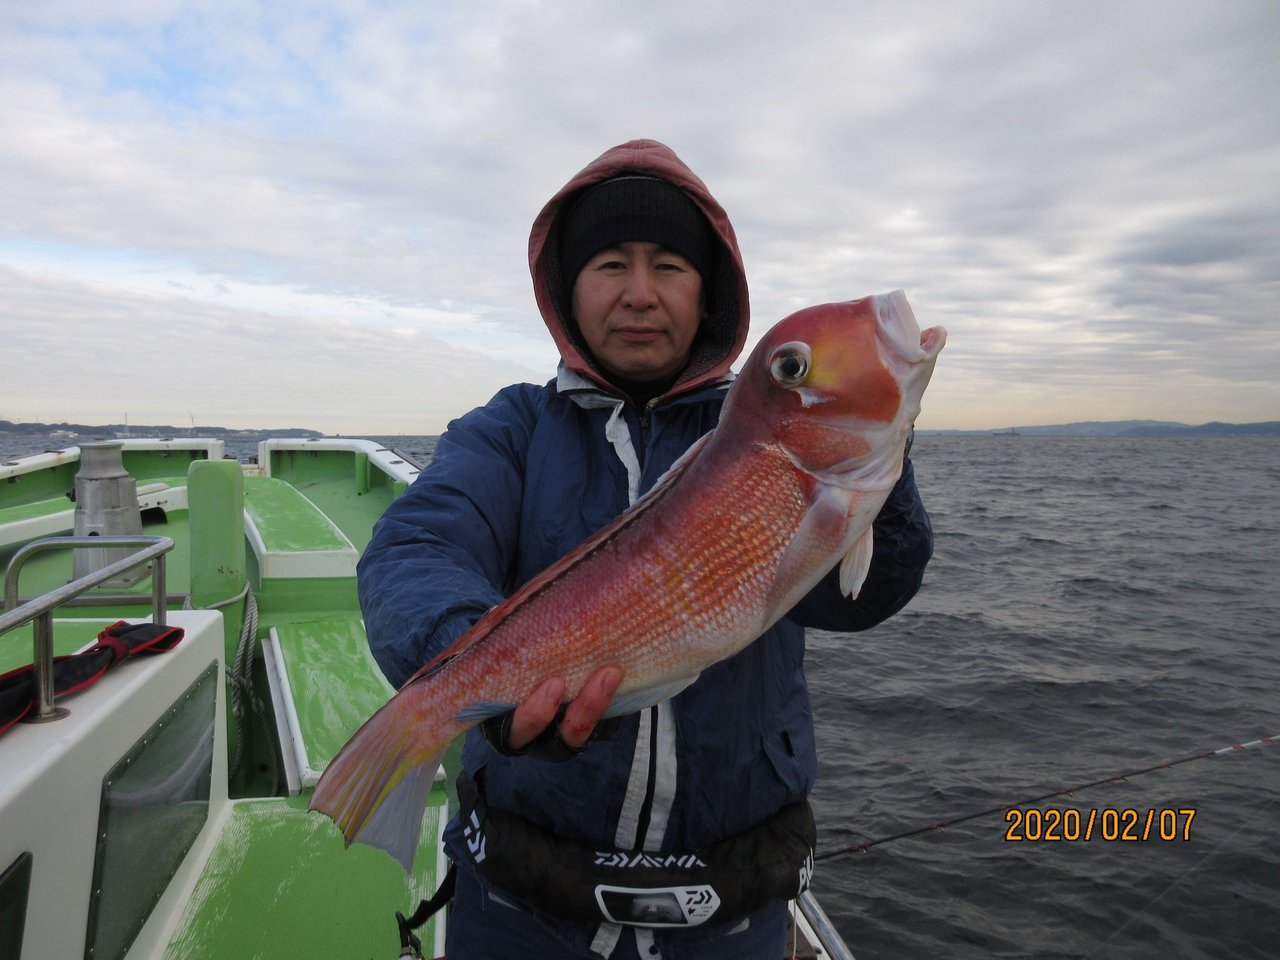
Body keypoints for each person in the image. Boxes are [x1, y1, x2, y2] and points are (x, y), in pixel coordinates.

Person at [357, 139, 933, 960]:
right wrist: (474, 664)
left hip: (732, 912)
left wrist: (880, 455)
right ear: (568, 289)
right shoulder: (512, 429)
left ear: (708, 292)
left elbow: (865, 595)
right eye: (609, 265)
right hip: (519, 904)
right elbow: (416, 545)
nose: (639, 294)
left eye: (668, 266)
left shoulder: (762, 441)